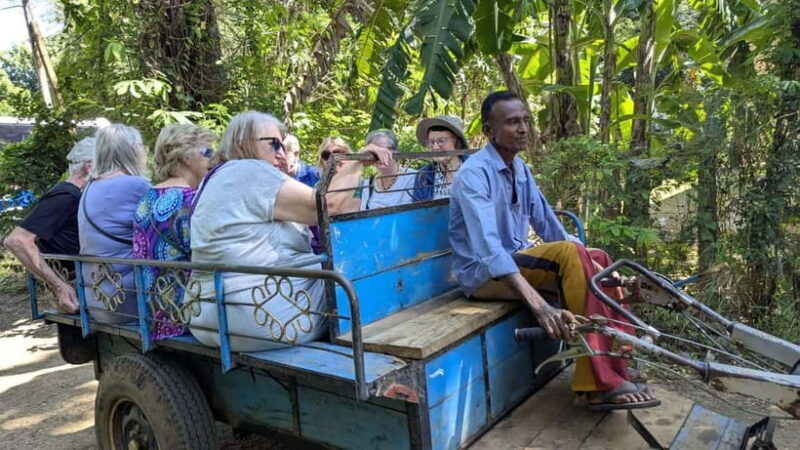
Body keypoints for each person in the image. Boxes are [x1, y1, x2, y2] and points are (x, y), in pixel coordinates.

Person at [449, 91, 659, 411]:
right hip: (482, 275)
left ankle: (617, 365)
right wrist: (540, 307)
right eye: (512, 122)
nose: (523, 128)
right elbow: (489, 250)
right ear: (489, 131)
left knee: (598, 257)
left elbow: (549, 224)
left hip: (516, 262)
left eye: (526, 121)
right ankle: (597, 384)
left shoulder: (521, 169)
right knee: (571, 255)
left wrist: (599, 267)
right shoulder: (474, 174)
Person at [189, 111, 392, 351]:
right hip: (262, 315)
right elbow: (328, 206)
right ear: (242, 143)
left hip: (207, 315)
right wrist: (354, 161)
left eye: (283, 146)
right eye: (273, 144)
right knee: (373, 271)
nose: (281, 153)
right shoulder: (250, 171)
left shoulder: (217, 177)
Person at [133, 124, 215, 340]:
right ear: (186, 157)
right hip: (188, 315)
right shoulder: (193, 200)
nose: (213, 159)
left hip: (154, 315)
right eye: (207, 152)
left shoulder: (146, 199)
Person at [3, 137, 95, 313]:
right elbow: (17, 241)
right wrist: (59, 286)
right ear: (89, 166)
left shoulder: (75, 194)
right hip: (75, 294)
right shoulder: (67, 195)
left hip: (87, 292)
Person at [79, 124, 151, 323]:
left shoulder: (90, 187)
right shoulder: (136, 185)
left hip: (97, 299)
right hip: (127, 301)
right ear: (133, 150)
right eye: (142, 146)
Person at [411, 115, 469, 201]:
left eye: (442, 141)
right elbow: (418, 208)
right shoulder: (423, 176)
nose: (436, 147)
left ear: (456, 141)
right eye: (432, 142)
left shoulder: (474, 168)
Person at [355, 129, 416, 210]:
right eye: (374, 153)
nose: (379, 156)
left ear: (395, 151)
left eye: (383, 151)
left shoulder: (412, 177)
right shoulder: (368, 184)